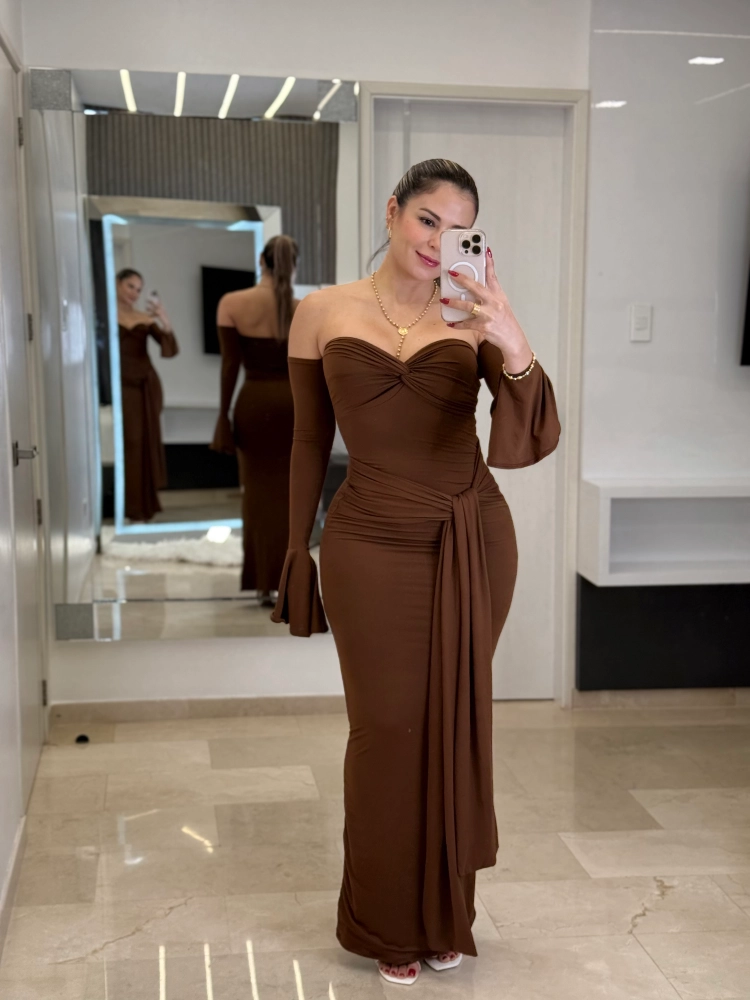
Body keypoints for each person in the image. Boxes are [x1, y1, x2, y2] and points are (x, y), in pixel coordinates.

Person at [271, 159, 561, 985]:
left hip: (470, 537)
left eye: (459, 229)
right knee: (386, 730)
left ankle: (444, 916)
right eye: (428, 220)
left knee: (450, 723)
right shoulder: (322, 312)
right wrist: (295, 549)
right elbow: (307, 440)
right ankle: (384, 921)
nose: (439, 241)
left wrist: (510, 336)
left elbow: (529, 431)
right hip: (367, 541)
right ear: (394, 213)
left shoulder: (473, 313)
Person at [211, 235, 299, 605]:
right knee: (292, 497)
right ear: (293, 266)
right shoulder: (303, 308)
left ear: (262, 261)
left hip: (253, 405)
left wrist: (222, 415)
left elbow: (230, 366)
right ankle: (289, 581)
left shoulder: (232, 303)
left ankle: (263, 582)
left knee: (257, 496)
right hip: (293, 407)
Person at [116, 269, 178, 522]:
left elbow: (169, 349)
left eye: (139, 289)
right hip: (120, 385)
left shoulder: (143, 318)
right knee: (128, 443)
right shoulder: (106, 315)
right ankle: (127, 507)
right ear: (117, 284)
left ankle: (141, 507)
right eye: (130, 286)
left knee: (142, 442)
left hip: (145, 386)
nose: (135, 293)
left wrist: (163, 318)